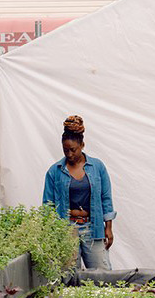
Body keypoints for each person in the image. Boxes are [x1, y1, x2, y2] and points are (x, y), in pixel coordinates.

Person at [42, 115, 115, 270]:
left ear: (82, 145)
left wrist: (108, 227)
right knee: (68, 276)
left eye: (73, 150)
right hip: (66, 229)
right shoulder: (54, 172)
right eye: (65, 150)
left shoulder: (97, 167)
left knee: (102, 275)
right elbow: (48, 205)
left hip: (93, 228)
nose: (69, 154)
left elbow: (106, 198)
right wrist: (50, 234)